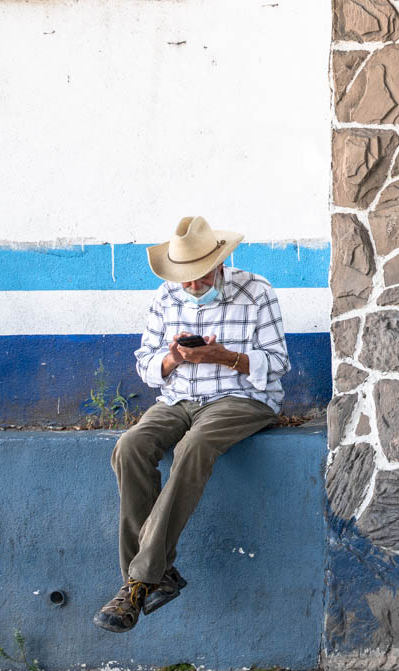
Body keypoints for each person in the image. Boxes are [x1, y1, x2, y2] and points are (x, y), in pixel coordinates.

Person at [93, 216, 291, 633]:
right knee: (129, 446)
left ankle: (137, 582)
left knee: (193, 446)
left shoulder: (257, 292)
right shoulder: (165, 297)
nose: (192, 287)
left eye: (199, 278)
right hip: (178, 398)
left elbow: (279, 363)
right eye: (184, 280)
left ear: (218, 263)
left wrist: (228, 358)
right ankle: (154, 575)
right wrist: (173, 360)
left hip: (241, 398)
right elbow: (147, 364)